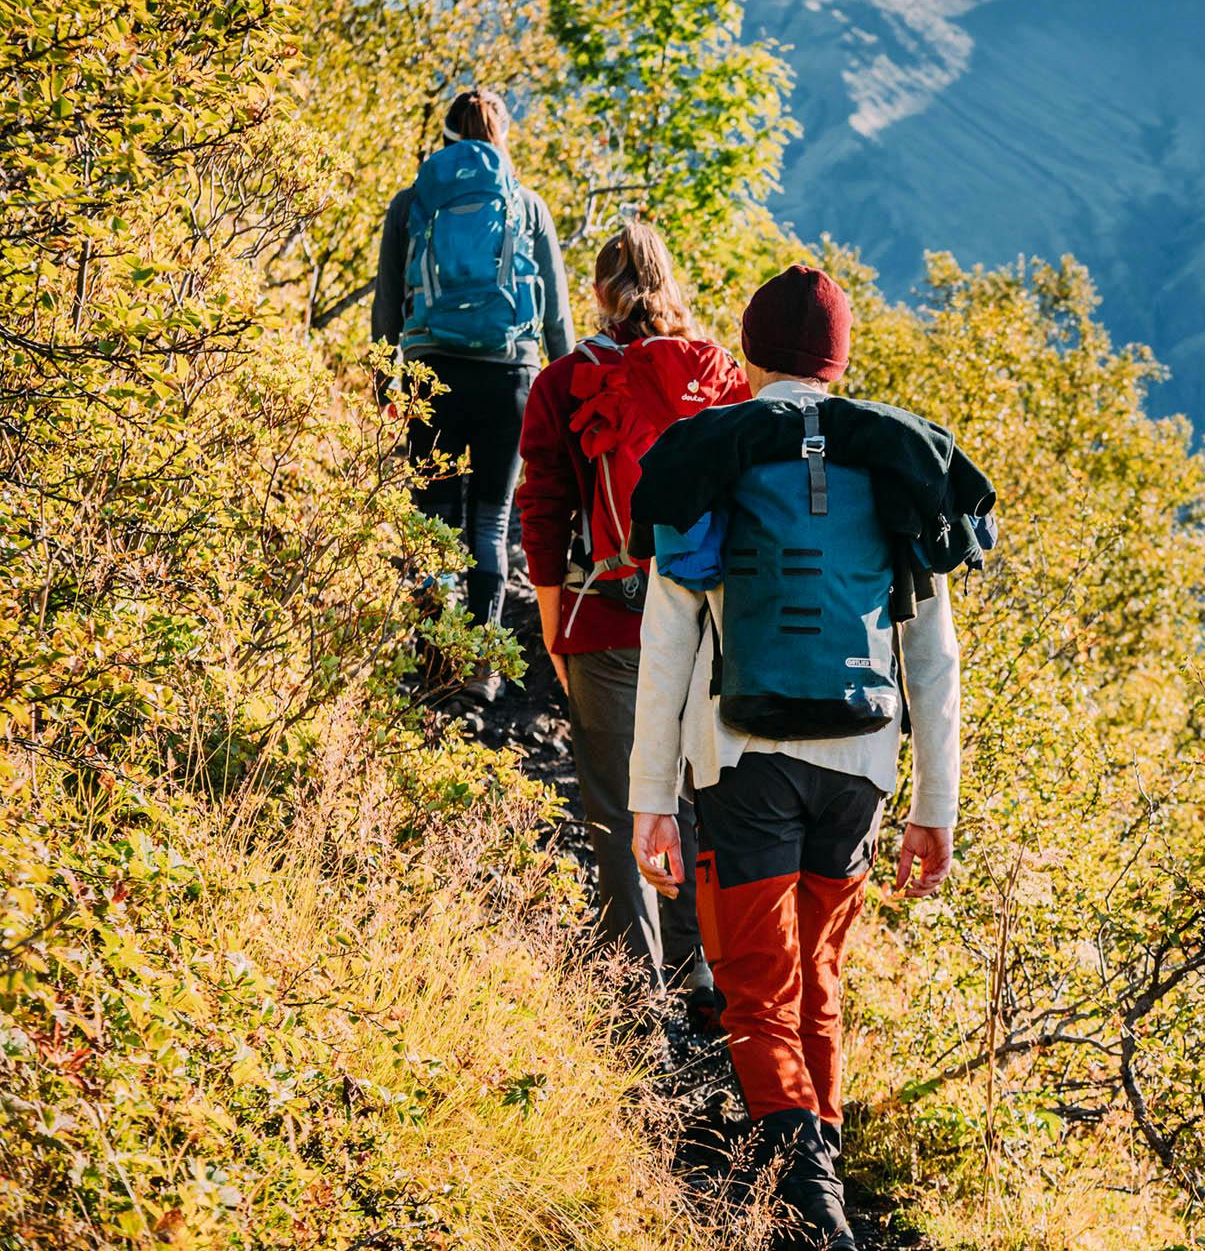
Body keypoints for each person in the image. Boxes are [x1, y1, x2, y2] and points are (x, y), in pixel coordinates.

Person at [628, 265, 982, 1251]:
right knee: (816, 973)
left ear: (748, 350)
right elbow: (933, 658)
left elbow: (668, 644)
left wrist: (650, 796)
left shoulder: (715, 458)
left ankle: (812, 1203)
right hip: (862, 765)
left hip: (741, 756)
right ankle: (813, 1160)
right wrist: (935, 808)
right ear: (840, 357)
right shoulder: (896, 464)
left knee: (755, 979)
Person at [516, 220, 745, 1016]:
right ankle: (700, 972)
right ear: (670, 284)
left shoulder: (562, 380)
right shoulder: (716, 371)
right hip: (700, 624)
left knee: (617, 805)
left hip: (606, 618)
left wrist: (555, 624)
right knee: (686, 792)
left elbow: (540, 510)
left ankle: (633, 991)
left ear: (602, 294)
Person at [373, 89, 573, 696]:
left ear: (446, 138)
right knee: (490, 525)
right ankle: (479, 669)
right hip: (509, 377)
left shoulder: (412, 203)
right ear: (501, 136)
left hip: (433, 370)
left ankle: (433, 663)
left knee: (432, 520)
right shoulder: (528, 206)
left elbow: (387, 303)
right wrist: (565, 396)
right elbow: (557, 318)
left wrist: (387, 378)